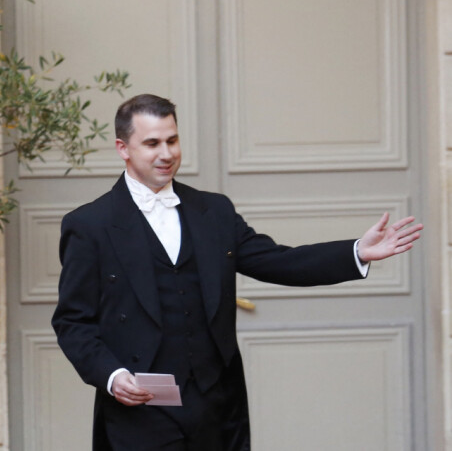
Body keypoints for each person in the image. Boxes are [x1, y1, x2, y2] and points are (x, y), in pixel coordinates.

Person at [52, 93, 422, 451]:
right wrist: (113, 377)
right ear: (123, 148)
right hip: (139, 408)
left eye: (172, 140)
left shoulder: (214, 212)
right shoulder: (90, 225)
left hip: (215, 404)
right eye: (152, 143)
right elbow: (73, 321)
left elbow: (278, 261)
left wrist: (356, 251)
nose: (166, 154)